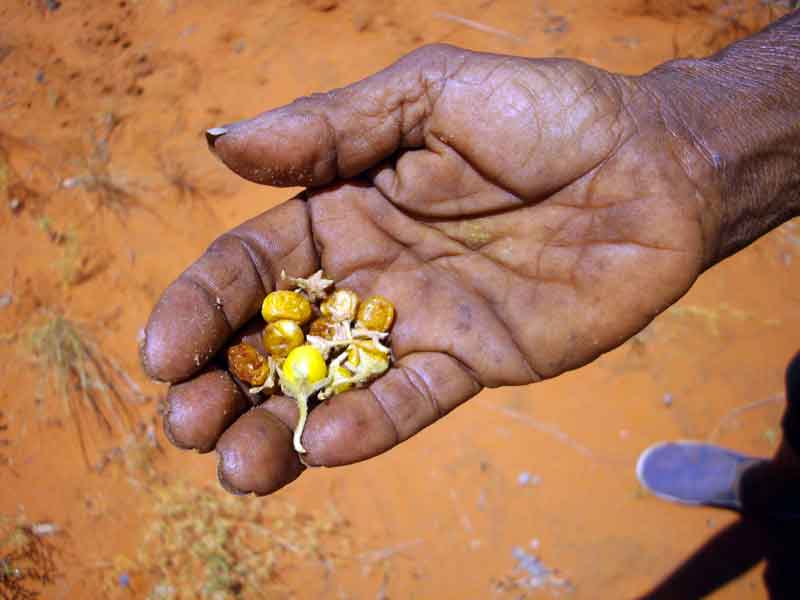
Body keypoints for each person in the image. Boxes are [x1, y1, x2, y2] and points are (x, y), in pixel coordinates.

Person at [140, 10, 799, 508]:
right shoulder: (336, 334)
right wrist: (686, 144)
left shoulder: (335, 332)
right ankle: (783, 485)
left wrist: (685, 148)